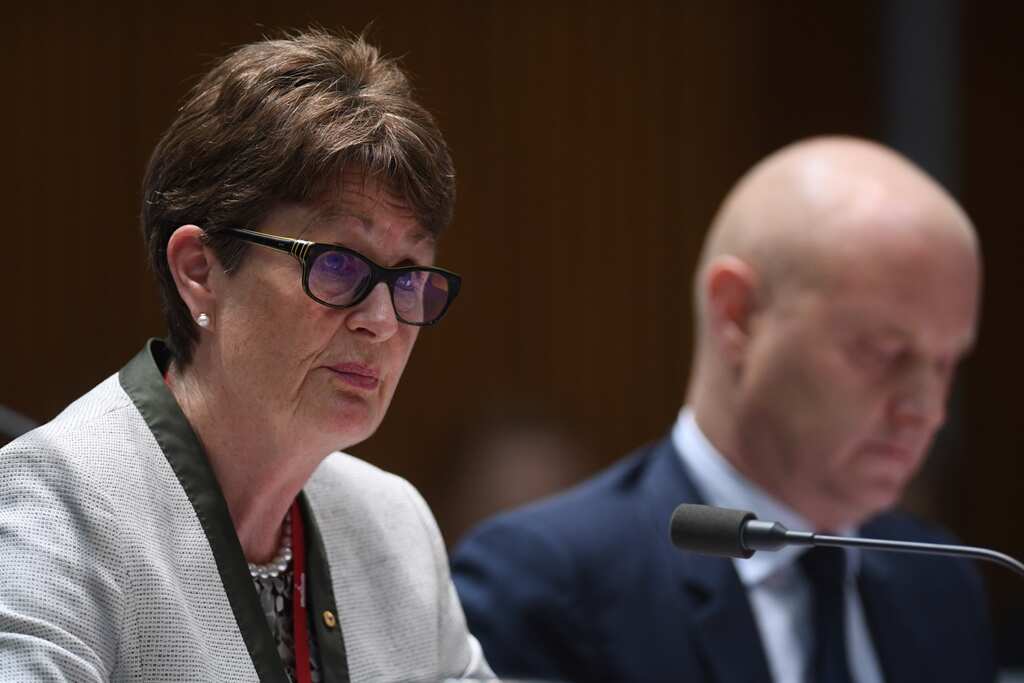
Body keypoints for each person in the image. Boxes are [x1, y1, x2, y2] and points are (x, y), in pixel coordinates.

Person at [0, 29, 491, 682]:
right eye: (339, 264)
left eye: (408, 276)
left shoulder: (394, 526)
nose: (381, 320)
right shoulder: (56, 503)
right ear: (200, 269)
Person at [452, 136, 996, 682]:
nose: (927, 410)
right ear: (738, 315)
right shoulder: (549, 584)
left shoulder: (938, 580)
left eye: (946, 364)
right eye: (882, 352)